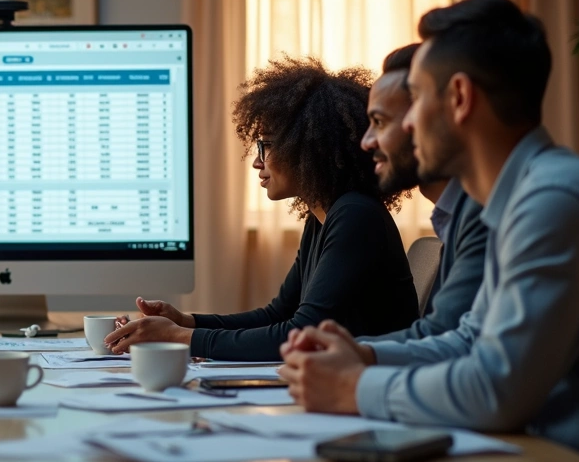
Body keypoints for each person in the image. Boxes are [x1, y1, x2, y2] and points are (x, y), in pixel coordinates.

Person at [279, 0, 579, 462]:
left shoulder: (553, 200)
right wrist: (364, 356)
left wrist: (354, 387)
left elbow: (496, 388)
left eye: (416, 98)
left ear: (459, 98)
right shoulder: (518, 197)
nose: (409, 124)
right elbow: (468, 339)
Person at [105, 57, 419, 361]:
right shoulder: (323, 218)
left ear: (308, 148)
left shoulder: (355, 216)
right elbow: (277, 315)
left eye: (266, 145)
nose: (257, 161)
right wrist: (186, 322)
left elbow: (298, 333)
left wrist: (178, 337)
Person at [358, 43, 487, 342]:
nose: (366, 141)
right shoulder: (454, 216)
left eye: (379, 122)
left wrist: (356, 353)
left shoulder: (485, 213)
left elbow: (454, 344)